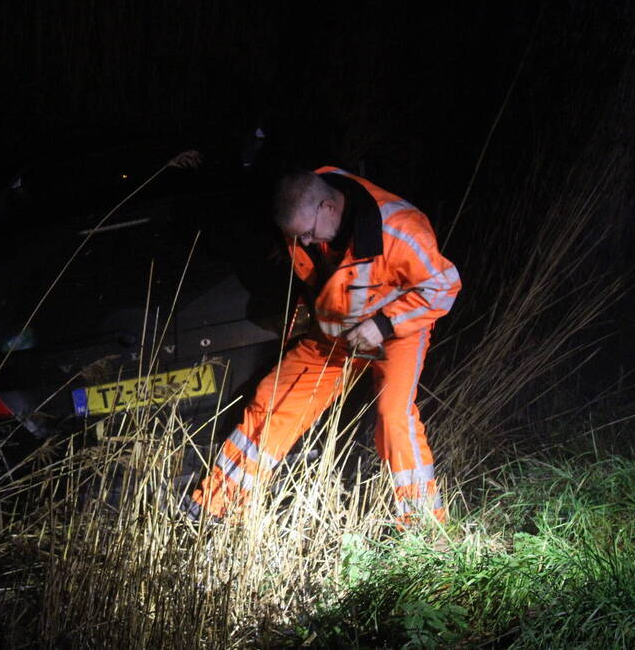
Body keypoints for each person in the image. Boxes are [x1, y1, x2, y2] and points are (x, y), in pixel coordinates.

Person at [185, 166, 461, 525]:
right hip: (334, 335)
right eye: (297, 237)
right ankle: (216, 508)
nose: (306, 243)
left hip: (396, 332)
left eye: (309, 234)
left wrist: (383, 324)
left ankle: (424, 527)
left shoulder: (400, 229)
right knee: (272, 403)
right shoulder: (303, 211)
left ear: (329, 207)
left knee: (394, 418)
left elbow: (444, 286)